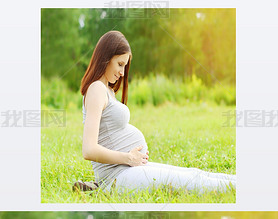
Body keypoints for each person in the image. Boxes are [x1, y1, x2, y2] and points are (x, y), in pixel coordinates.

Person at [79, 30, 236, 194]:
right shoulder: (97, 89)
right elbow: (89, 150)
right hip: (119, 175)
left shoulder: (107, 90)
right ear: (106, 57)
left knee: (194, 174)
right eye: (120, 64)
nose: (122, 73)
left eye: (124, 66)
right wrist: (129, 158)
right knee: (193, 183)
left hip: (126, 170)